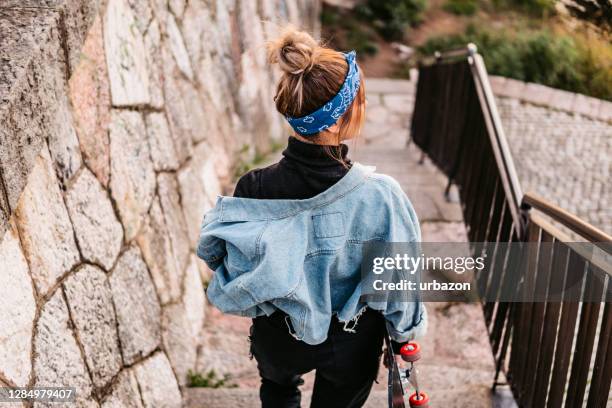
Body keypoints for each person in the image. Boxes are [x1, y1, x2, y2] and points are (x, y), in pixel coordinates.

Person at [197, 26, 426, 408]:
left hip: (278, 336)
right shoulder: (381, 197)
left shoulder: (253, 188)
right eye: (358, 102)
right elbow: (401, 283)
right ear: (336, 122)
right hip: (351, 342)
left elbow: (234, 267)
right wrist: (404, 339)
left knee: (279, 389)